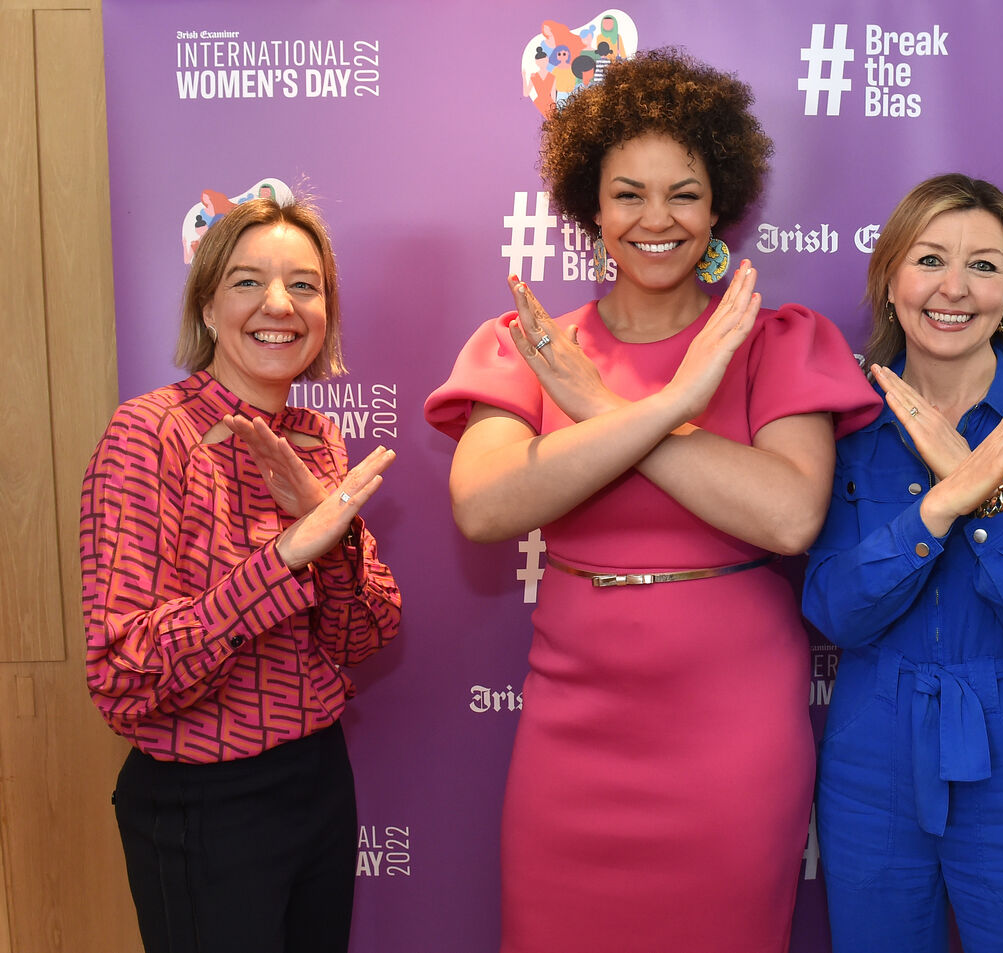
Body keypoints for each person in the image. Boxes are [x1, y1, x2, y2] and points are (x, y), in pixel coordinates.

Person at [425, 48, 880, 953]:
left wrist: (606, 414)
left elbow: (788, 514)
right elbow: (483, 506)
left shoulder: (775, 344)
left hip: (732, 743)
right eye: (628, 192)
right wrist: (667, 404)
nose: (656, 218)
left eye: (684, 192)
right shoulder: (531, 347)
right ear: (591, 208)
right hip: (572, 739)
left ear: (719, 208)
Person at [80, 197, 403, 953]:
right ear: (208, 304)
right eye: (248, 281)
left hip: (318, 778)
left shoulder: (317, 435)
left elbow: (365, 635)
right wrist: (282, 560)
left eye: (305, 284)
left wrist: (337, 543)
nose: (279, 306)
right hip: (204, 801)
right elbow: (123, 672)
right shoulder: (149, 433)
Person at [802, 173, 1003, 953]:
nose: (954, 288)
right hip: (873, 769)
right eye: (930, 258)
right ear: (891, 281)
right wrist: (937, 508)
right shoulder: (848, 425)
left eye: (984, 266)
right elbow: (834, 608)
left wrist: (989, 501)